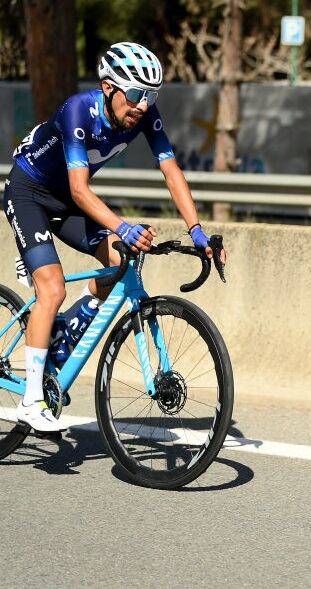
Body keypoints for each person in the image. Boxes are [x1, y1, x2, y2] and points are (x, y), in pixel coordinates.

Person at [5, 41, 227, 432]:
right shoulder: (78, 111)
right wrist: (122, 225)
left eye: (151, 95)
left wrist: (197, 230)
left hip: (70, 200)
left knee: (119, 261)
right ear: (109, 87)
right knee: (52, 288)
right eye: (138, 94)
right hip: (30, 193)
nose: (143, 104)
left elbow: (172, 171)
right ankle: (31, 400)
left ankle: (64, 328)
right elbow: (79, 190)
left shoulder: (143, 114)